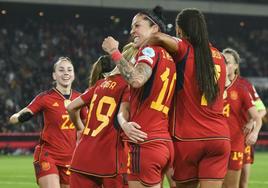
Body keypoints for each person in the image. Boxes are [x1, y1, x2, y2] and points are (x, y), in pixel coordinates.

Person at [144, 8, 231, 188]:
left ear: (180, 30)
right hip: (219, 137)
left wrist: (141, 45)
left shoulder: (184, 48)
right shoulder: (219, 56)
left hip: (188, 138)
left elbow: (159, 38)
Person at [102, 6, 177, 188]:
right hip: (164, 141)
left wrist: (114, 52)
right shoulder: (170, 57)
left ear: (154, 29)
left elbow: (136, 79)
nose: (132, 31)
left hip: (145, 141)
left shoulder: (149, 51)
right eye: (132, 26)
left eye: (138, 26)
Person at [67, 48, 143, 188]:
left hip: (82, 156)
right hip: (110, 158)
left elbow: (71, 107)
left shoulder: (99, 84)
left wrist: (80, 128)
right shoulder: (128, 86)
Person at [9, 57, 87, 188]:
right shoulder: (45, 98)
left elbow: (85, 129)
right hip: (48, 155)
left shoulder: (80, 99)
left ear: (73, 74)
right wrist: (20, 117)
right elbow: (15, 117)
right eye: (61, 70)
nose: (66, 73)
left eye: (69, 70)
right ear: (54, 75)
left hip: (71, 158)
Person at [222, 48, 266, 188]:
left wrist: (252, 122)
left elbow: (261, 110)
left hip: (239, 138)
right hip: (218, 142)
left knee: (242, 182)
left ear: (236, 66)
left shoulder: (244, 86)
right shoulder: (213, 86)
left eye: (227, 62)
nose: (223, 65)